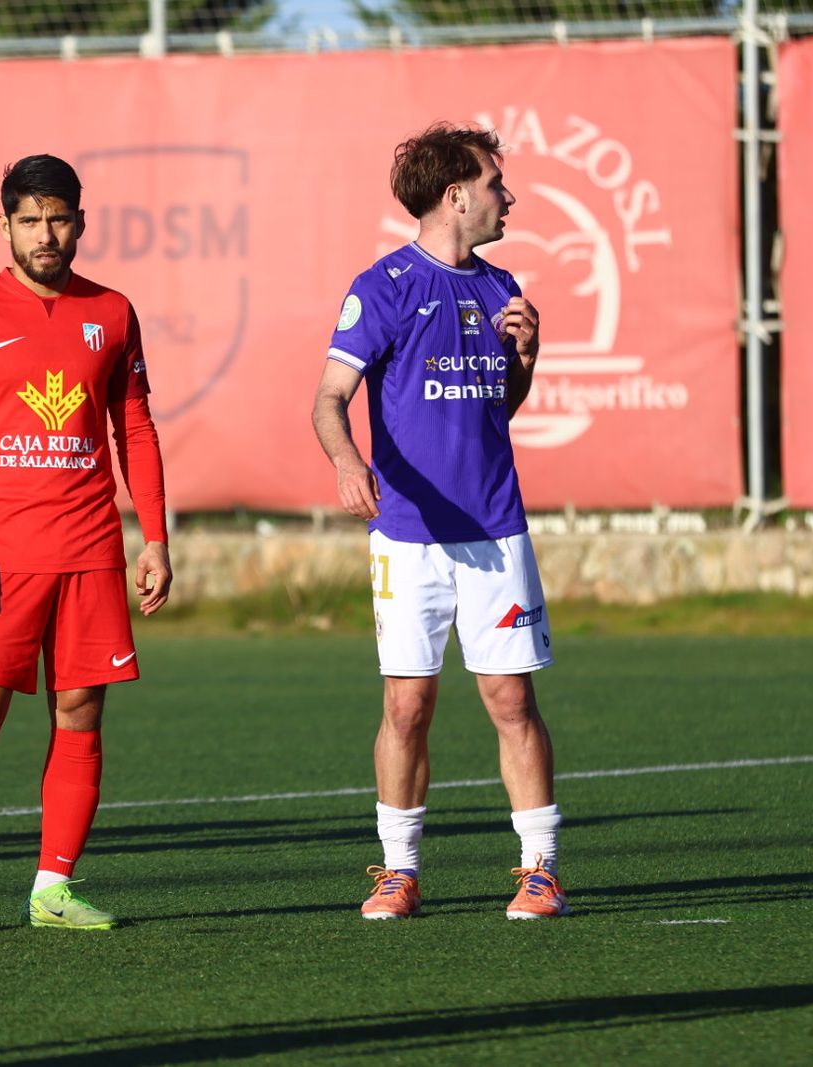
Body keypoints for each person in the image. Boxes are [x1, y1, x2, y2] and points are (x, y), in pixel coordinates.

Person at [311, 123, 567, 921]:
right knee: (405, 705)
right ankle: (399, 871)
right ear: (457, 195)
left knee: (510, 700)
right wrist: (350, 463)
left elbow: (500, 412)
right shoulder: (384, 284)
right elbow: (327, 401)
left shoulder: (501, 289)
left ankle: (540, 869)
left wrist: (524, 362)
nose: (508, 196)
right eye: (496, 183)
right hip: (408, 537)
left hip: (493, 529)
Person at [0, 154, 172, 937]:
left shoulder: (114, 313)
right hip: (1, 553)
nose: (46, 234)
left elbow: (135, 429)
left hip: (92, 547)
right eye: (30, 220)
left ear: (81, 222)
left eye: (58, 219)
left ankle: (52, 888)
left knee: (81, 709)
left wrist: (153, 536)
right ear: (5, 225)